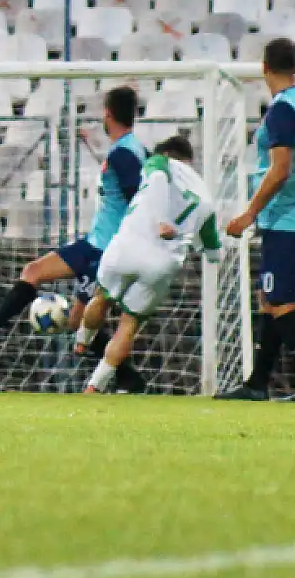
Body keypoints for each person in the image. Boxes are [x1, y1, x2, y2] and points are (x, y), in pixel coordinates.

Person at [0, 86, 149, 393]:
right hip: (93, 243)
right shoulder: (130, 149)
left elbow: (138, 200)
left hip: (107, 250)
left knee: (78, 322)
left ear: (108, 113)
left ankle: (128, 377)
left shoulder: (125, 154)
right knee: (33, 271)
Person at [218, 38, 295, 403]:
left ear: (264, 67)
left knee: (281, 301)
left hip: (287, 220)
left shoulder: (284, 109)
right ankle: (257, 384)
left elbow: (280, 169)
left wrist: (249, 213)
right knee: (269, 298)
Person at [77, 136, 221, 394]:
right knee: (129, 324)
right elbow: (212, 252)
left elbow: (157, 180)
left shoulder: (159, 162)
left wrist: (162, 220)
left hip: (129, 246)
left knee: (102, 298)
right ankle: (94, 387)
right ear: (189, 161)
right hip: (162, 264)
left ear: (165, 153)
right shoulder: (206, 197)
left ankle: (81, 340)